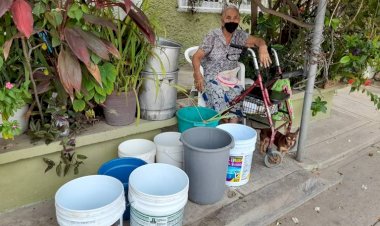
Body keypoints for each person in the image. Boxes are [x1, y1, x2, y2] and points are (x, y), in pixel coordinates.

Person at [192, 5, 272, 123]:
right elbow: (196, 57)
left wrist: (263, 46)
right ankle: (222, 123)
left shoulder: (240, 36)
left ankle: (232, 128)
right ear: (222, 19)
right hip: (211, 76)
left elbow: (257, 41)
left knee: (238, 92)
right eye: (228, 17)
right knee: (216, 91)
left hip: (229, 78)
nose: (232, 20)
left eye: (235, 18)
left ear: (239, 20)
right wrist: (198, 75)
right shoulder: (213, 36)